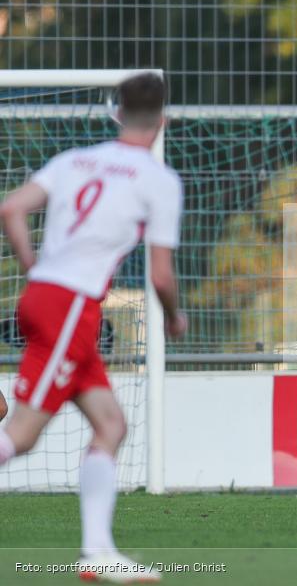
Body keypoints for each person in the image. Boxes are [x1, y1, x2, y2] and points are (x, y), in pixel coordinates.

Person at [0, 72, 185, 583]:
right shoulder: (159, 180)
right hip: (70, 307)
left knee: (111, 425)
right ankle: (98, 553)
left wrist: (32, 265)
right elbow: (161, 274)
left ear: (116, 112)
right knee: (22, 435)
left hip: (54, 301)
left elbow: (12, 208)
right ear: (162, 120)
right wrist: (173, 316)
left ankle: (98, 554)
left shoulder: (73, 160)